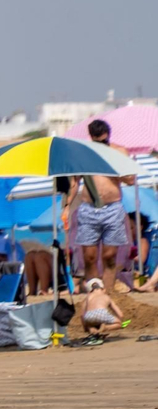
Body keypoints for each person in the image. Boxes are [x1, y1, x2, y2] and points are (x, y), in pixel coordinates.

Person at [65, 118, 137, 293]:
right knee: (89, 256)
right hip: (88, 208)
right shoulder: (83, 154)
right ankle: (95, 294)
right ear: (91, 137)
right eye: (97, 142)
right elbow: (74, 183)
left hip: (112, 207)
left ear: (109, 136)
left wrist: (114, 168)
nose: (101, 145)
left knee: (109, 256)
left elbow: (130, 180)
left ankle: (109, 294)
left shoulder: (119, 152)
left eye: (104, 141)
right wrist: (66, 206)